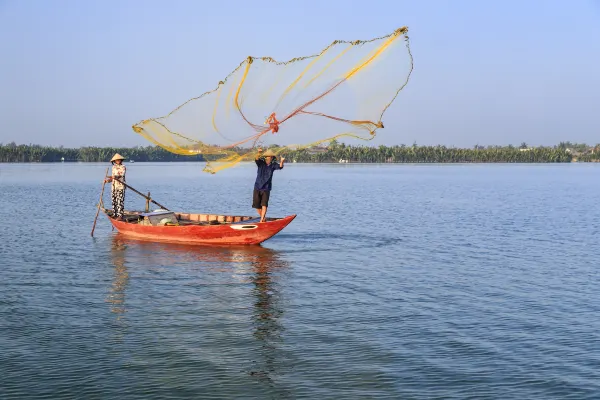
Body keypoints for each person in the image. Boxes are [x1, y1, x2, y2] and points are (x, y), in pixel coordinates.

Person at [253, 148, 285, 223]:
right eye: (267, 157)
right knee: (257, 206)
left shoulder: (273, 165)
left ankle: (261, 220)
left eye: (270, 157)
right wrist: (259, 152)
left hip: (266, 188)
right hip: (257, 186)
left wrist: (282, 161)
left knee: (264, 204)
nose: (268, 158)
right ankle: (263, 218)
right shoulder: (261, 163)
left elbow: (280, 166)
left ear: (272, 158)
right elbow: (256, 159)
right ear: (265, 157)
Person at [105, 153, 127, 220]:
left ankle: (120, 215)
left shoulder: (123, 167)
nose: (117, 161)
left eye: (119, 160)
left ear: (121, 160)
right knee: (114, 201)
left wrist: (115, 177)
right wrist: (108, 181)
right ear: (114, 161)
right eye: (116, 160)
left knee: (119, 201)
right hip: (114, 186)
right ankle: (115, 214)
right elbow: (112, 178)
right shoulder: (113, 167)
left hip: (120, 186)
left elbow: (121, 175)